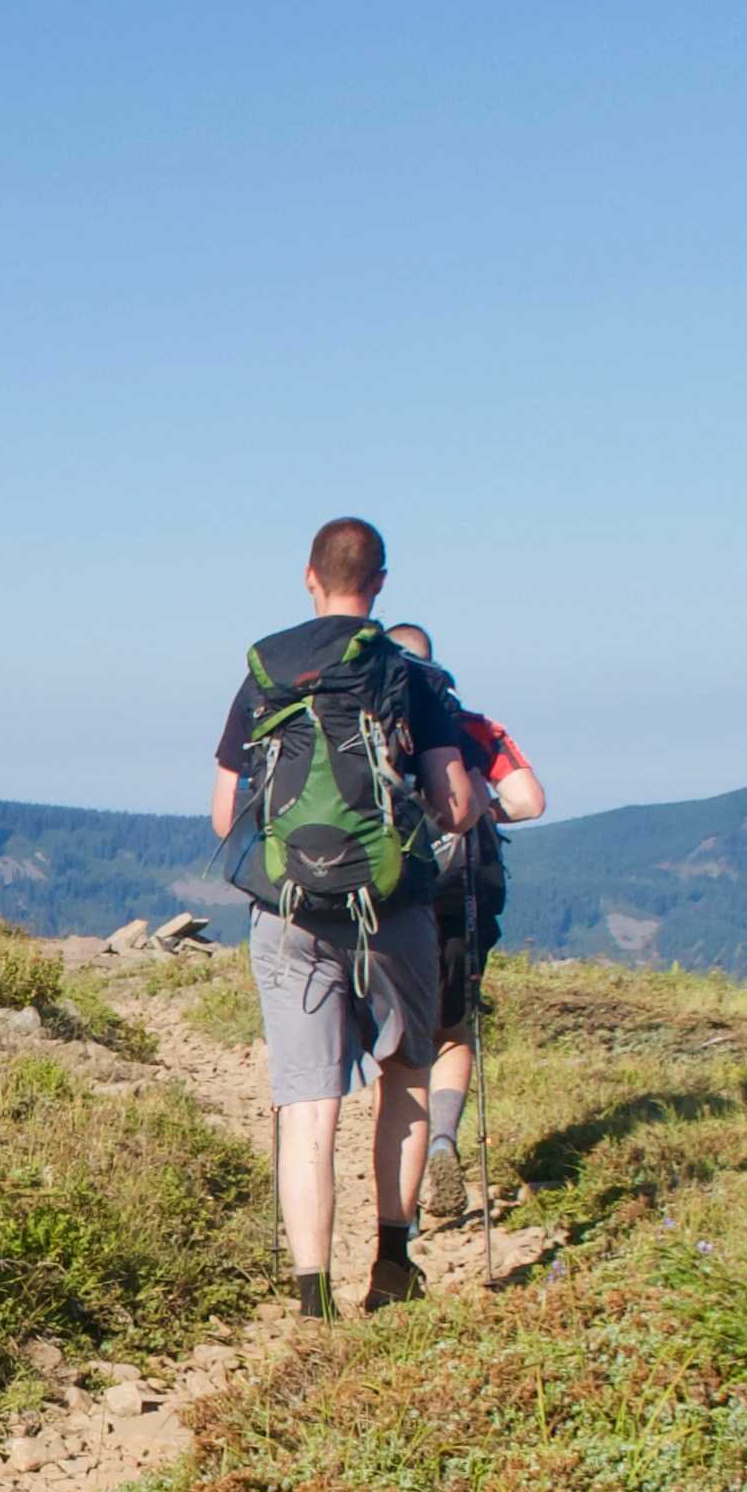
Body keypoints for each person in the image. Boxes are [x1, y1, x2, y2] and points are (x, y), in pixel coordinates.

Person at [207, 518, 477, 1317]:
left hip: (289, 913)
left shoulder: (264, 675)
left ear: (308, 576)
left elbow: (227, 817)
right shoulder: (412, 679)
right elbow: (456, 808)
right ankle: (392, 1267)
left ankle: (312, 1299)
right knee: (406, 1077)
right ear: (381, 583)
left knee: (306, 1104)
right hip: (392, 912)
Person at [383, 623, 546, 1225]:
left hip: (395, 891)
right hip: (466, 891)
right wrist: (477, 808)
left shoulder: (373, 727)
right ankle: (445, 1142)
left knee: (403, 1045)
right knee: (454, 1029)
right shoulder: (472, 727)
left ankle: (398, 1194)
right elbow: (531, 801)